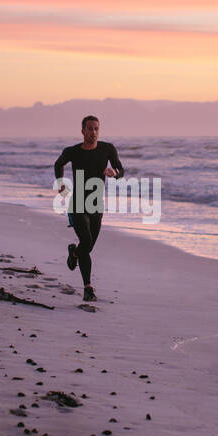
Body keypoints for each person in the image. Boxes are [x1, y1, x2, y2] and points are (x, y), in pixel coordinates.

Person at [53, 115, 125, 302]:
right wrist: (60, 182)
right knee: (85, 239)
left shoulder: (107, 149)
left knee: (88, 246)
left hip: (96, 205)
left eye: (96, 129)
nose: (93, 132)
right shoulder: (72, 151)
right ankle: (88, 287)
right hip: (77, 203)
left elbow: (121, 170)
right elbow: (58, 164)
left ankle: (74, 253)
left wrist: (114, 173)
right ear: (82, 130)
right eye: (90, 129)